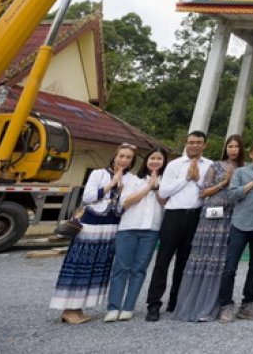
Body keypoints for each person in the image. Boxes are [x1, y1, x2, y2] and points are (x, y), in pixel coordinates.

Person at [52, 143, 136, 324]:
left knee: (98, 268)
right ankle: (69, 308)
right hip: (91, 225)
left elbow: (125, 204)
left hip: (112, 227)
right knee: (80, 265)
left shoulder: (131, 179)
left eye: (128, 157)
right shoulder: (99, 174)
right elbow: (87, 197)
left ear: (132, 161)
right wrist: (110, 185)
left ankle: (79, 307)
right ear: (115, 156)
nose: (124, 160)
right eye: (121, 156)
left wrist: (121, 190)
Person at [173, 134, 244, 322]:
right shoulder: (215, 166)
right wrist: (224, 182)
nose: (233, 150)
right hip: (211, 216)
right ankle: (195, 303)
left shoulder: (244, 169)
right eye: (230, 146)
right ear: (225, 148)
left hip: (230, 217)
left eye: (237, 146)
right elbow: (204, 192)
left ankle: (217, 304)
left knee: (222, 262)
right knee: (203, 259)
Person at [146, 130, 213, 322]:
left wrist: (199, 183)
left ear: (204, 145)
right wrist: (187, 178)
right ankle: (154, 303)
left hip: (196, 216)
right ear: (186, 143)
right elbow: (164, 191)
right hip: (174, 215)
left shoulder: (209, 165)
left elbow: (209, 190)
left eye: (198, 142)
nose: (194, 145)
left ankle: (176, 301)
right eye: (191, 142)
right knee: (163, 260)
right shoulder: (175, 165)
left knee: (185, 262)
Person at [105, 147, 167, 322]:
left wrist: (156, 188)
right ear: (146, 160)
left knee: (139, 270)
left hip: (152, 230)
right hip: (128, 227)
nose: (155, 161)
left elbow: (166, 204)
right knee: (121, 268)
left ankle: (128, 307)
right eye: (152, 158)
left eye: (159, 159)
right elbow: (125, 202)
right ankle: (113, 306)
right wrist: (148, 187)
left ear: (164, 163)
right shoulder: (132, 179)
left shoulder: (165, 180)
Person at [217, 138, 253, 322]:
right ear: (251, 154)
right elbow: (231, 194)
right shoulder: (240, 172)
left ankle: (247, 304)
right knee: (230, 267)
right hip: (240, 224)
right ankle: (226, 305)